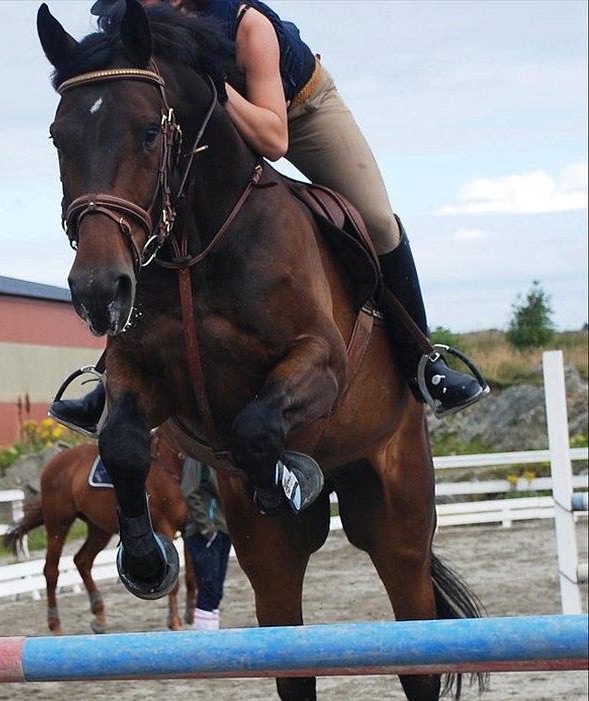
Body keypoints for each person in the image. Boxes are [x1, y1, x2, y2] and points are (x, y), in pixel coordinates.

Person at [50, 0, 489, 510]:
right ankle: (114, 377)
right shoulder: (128, 28)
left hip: (291, 114)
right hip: (200, 129)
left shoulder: (245, 23)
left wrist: (212, 87)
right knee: (149, 213)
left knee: (375, 218)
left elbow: (273, 139)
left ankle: (424, 360)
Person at [180, 456, 231, 630]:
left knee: (216, 592)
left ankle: (211, 637)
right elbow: (189, 490)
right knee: (208, 589)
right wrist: (205, 526)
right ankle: (204, 642)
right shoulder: (195, 457)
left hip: (223, 529)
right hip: (206, 532)